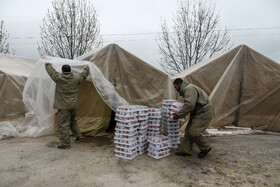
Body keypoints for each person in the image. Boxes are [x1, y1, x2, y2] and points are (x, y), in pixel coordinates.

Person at [45, 63, 89, 149]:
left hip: (63, 106)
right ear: (70, 70)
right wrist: (87, 68)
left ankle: (65, 144)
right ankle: (78, 135)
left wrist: (47, 63)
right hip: (73, 105)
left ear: (62, 71)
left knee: (63, 125)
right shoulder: (76, 78)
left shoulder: (59, 77)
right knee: (72, 120)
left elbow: (51, 72)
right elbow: (83, 75)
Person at [172, 78, 214, 158]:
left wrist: (178, 114)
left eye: (176, 87)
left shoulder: (189, 88)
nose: (175, 89)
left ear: (180, 84)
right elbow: (191, 104)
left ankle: (206, 148)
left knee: (194, 132)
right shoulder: (187, 89)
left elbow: (190, 105)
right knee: (187, 132)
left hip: (203, 113)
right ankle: (186, 151)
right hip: (196, 113)